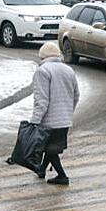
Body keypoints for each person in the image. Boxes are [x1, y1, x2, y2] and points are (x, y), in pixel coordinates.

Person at [30, 42, 80, 185]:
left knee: (50, 149)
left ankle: (62, 176)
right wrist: (68, 112)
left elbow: (42, 100)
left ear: (42, 56)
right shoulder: (68, 70)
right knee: (51, 148)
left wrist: (35, 121)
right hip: (64, 120)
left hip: (49, 121)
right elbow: (76, 95)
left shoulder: (42, 71)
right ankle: (41, 170)